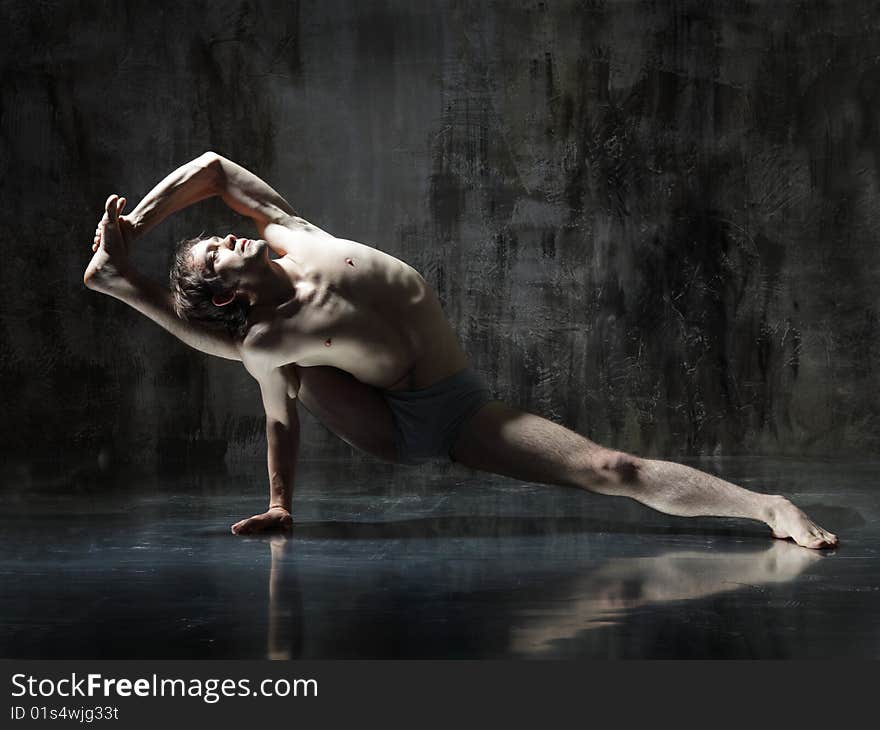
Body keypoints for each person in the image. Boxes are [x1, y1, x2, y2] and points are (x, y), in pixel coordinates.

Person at [83, 152, 838, 548]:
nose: (225, 236)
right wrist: (281, 502)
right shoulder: (271, 335)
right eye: (216, 256)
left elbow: (213, 168)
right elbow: (278, 416)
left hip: (452, 408)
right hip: (395, 427)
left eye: (214, 237)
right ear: (230, 293)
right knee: (257, 359)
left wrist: (138, 226)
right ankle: (117, 286)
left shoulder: (292, 234)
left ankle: (767, 509)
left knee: (613, 469)